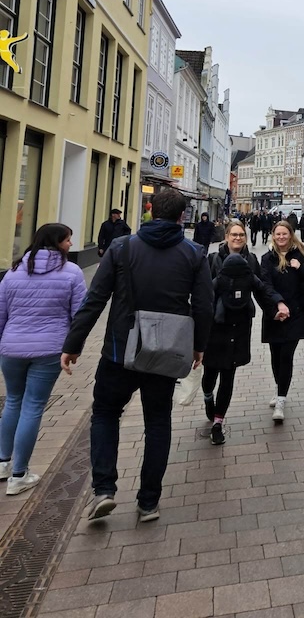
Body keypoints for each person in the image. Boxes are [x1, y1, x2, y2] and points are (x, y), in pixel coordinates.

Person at [62, 188, 213, 523]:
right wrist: (198, 346)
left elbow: (95, 299)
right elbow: (204, 305)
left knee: (104, 414)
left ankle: (104, 489)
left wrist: (73, 344)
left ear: (149, 211)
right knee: (158, 422)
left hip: (119, 350)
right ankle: (148, 503)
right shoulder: (194, 253)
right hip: (166, 353)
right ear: (181, 216)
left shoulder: (122, 247)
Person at [0, 224, 87, 495]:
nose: (71, 244)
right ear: (58, 243)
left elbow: (1, 313)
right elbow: (80, 315)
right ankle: (19, 474)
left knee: (13, 401)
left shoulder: (13, 272)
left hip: (11, 348)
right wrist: (74, 348)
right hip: (49, 349)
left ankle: (3, 462)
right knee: (33, 405)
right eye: (68, 239)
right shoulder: (71, 272)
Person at [203, 221, 289, 445]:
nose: (238, 238)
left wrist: (273, 311)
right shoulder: (212, 259)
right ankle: (207, 397)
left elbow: (259, 291)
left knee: (229, 374)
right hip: (214, 326)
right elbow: (203, 293)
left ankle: (218, 423)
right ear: (226, 236)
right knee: (210, 374)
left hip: (239, 325)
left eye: (241, 235)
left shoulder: (251, 261)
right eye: (234, 234)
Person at [260, 220, 304, 423]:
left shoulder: (301, 255)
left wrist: (301, 267)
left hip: (295, 314)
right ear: (273, 235)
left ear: (291, 235)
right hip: (275, 314)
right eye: (277, 234)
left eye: (284, 234)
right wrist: (278, 304)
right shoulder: (267, 259)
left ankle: (281, 399)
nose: (281, 238)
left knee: (286, 355)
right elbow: (265, 285)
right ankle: (280, 389)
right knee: (275, 356)